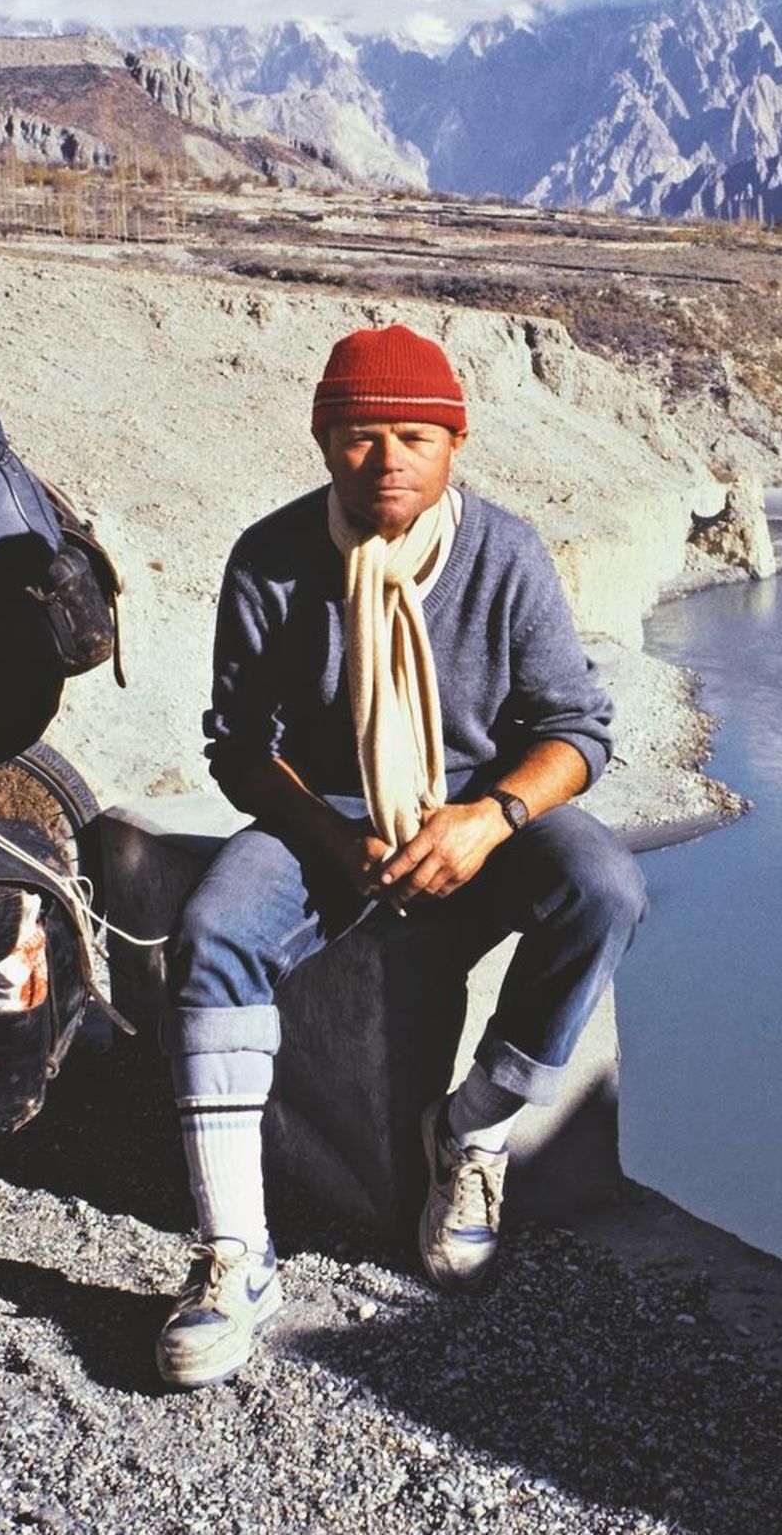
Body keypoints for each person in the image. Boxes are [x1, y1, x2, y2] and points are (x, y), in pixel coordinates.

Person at [155, 323, 646, 1389]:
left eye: (415, 436)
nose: (390, 463)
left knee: (604, 886)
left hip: (479, 805)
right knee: (211, 934)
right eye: (362, 438)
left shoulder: (505, 554)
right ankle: (234, 1253)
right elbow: (240, 750)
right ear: (325, 440)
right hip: (325, 817)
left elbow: (577, 731)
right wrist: (333, 838)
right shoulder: (271, 560)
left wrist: (486, 821)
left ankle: (469, 1133)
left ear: (453, 445)